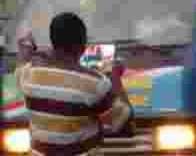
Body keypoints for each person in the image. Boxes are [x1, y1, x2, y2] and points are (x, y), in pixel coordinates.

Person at [17, 12, 133, 155]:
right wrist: (115, 76)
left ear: (53, 43)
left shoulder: (28, 74)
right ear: (83, 45)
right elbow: (126, 127)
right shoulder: (95, 83)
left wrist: (32, 53)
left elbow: (23, 63)